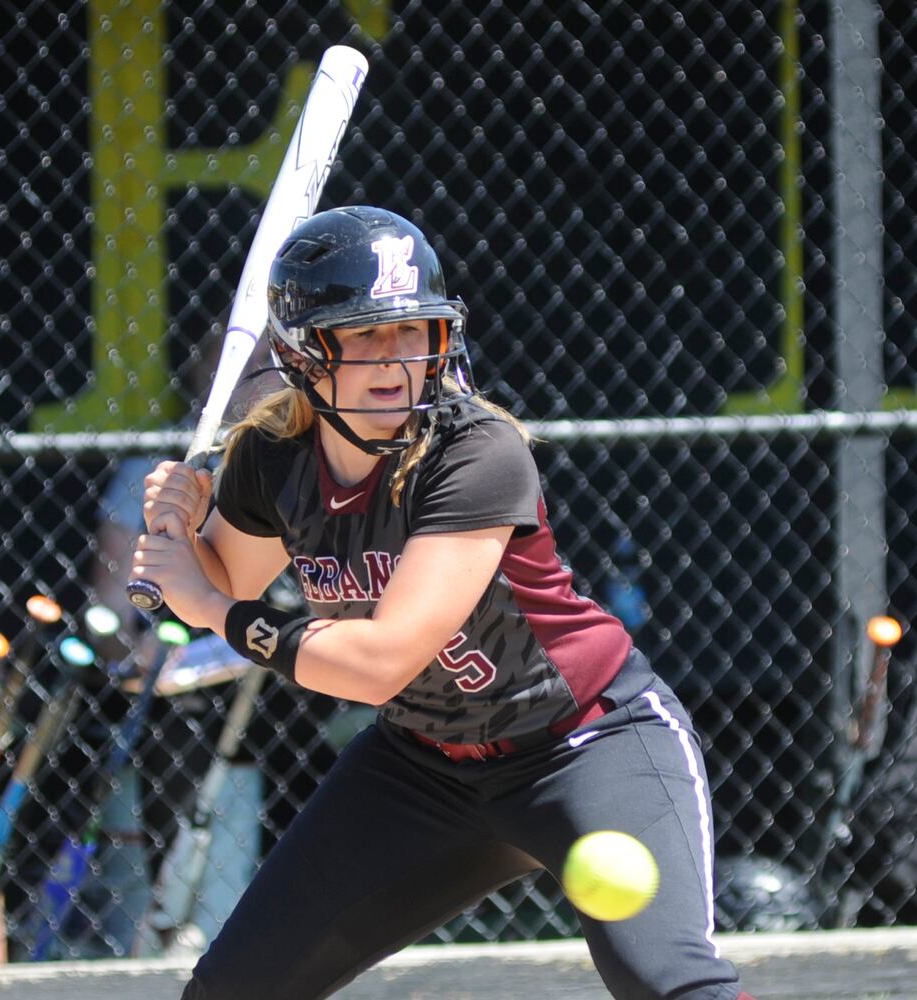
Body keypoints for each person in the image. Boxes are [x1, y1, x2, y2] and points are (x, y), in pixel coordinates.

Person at [132, 206, 753, 1000]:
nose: (394, 359)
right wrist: (180, 529)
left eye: (413, 331)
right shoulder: (271, 457)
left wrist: (212, 608)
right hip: (423, 765)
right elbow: (222, 583)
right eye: (362, 335)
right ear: (302, 354)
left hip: (584, 741)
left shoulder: (477, 451)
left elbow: (377, 665)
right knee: (234, 990)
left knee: (669, 983)